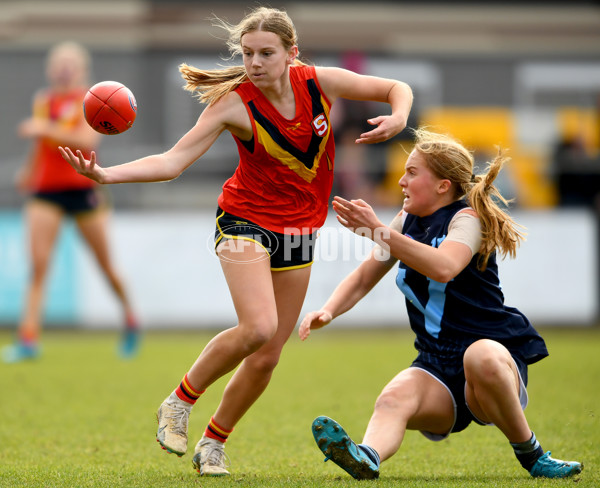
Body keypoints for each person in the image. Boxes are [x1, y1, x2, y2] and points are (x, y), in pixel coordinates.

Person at [59, 6, 413, 477]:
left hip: (300, 230)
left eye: (266, 53)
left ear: (292, 54)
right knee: (259, 327)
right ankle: (179, 401)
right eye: (247, 54)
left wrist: (399, 116)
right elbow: (171, 162)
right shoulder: (233, 103)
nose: (255, 63)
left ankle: (213, 443)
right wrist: (105, 174)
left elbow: (396, 88)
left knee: (267, 357)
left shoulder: (318, 83)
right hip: (244, 221)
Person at [299, 128, 583, 480]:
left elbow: (445, 267)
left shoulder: (467, 219)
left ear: (442, 186)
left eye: (412, 172)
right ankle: (366, 457)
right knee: (392, 399)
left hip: (490, 368)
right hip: (437, 367)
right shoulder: (405, 221)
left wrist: (377, 230)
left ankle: (534, 456)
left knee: (479, 355)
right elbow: (362, 278)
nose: (401, 181)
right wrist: (328, 310)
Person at [2, 41, 140, 363]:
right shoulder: (44, 100)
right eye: (58, 63)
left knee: (105, 265)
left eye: (70, 63)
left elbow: (86, 139)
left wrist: (43, 128)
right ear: (51, 69)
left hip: (83, 187)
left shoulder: (91, 101)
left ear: (81, 69)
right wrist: (28, 171)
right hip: (46, 190)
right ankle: (28, 339)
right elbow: (41, 145)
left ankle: (131, 320)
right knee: (38, 265)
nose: (63, 69)